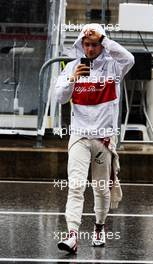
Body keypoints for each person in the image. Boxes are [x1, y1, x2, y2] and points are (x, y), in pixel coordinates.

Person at [54, 23, 134, 254]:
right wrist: (72, 81)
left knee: (101, 189)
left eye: (95, 45)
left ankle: (99, 228)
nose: (90, 50)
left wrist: (105, 38)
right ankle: (72, 235)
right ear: (81, 45)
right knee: (76, 186)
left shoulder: (114, 67)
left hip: (104, 139)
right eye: (86, 45)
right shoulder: (71, 67)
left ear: (101, 45)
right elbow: (59, 98)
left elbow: (129, 59)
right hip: (79, 136)